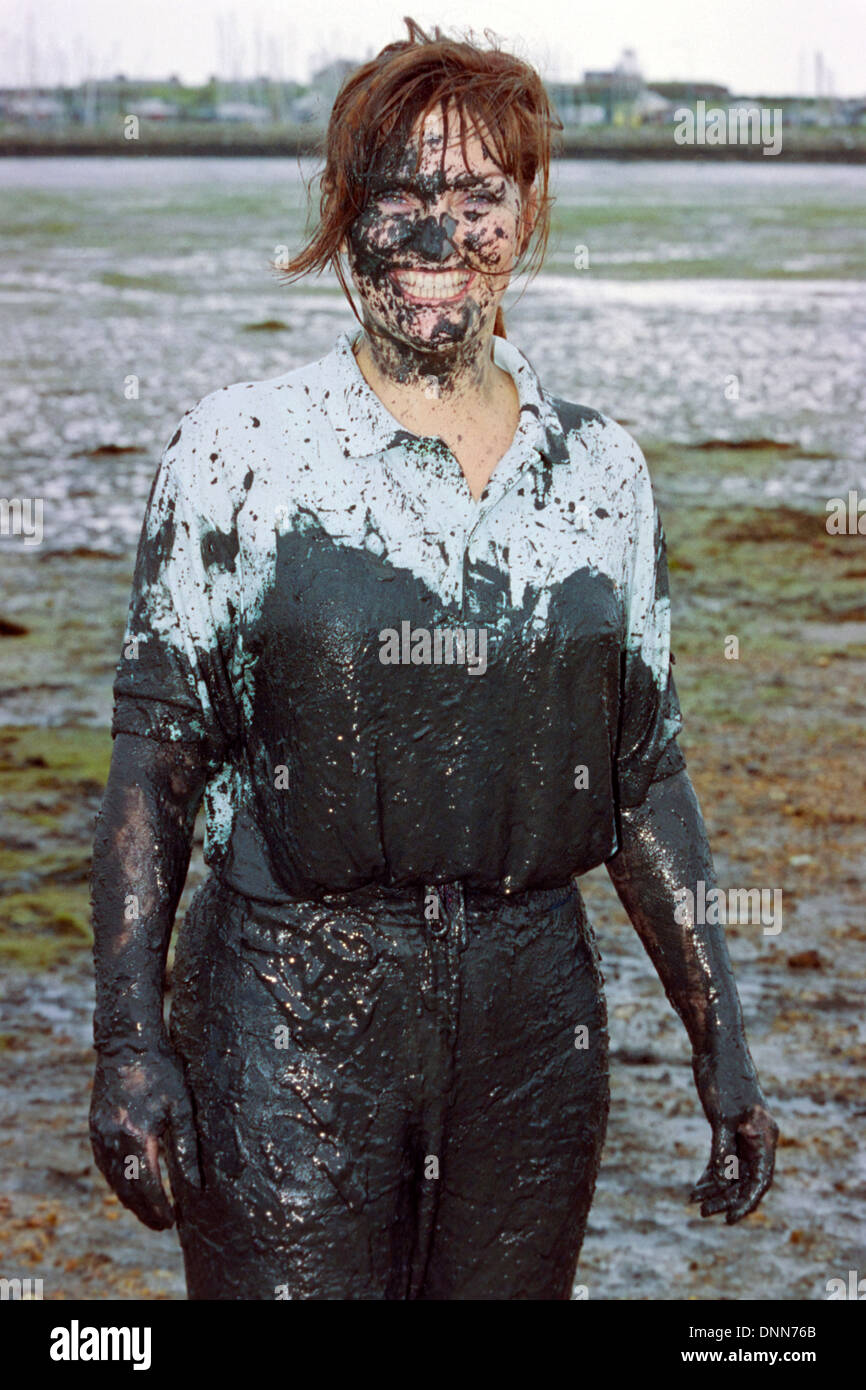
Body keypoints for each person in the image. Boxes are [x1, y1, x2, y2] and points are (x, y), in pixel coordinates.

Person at [89, 18, 778, 1301]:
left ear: (526, 214)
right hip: (285, 996)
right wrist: (129, 1042)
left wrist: (718, 1036)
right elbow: (154, 764)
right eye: (399, 193)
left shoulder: (599, 472)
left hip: (530, 1018)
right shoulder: (239, 452)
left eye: (474, 196)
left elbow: (642, 780)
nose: (433, 236)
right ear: (344, 209)